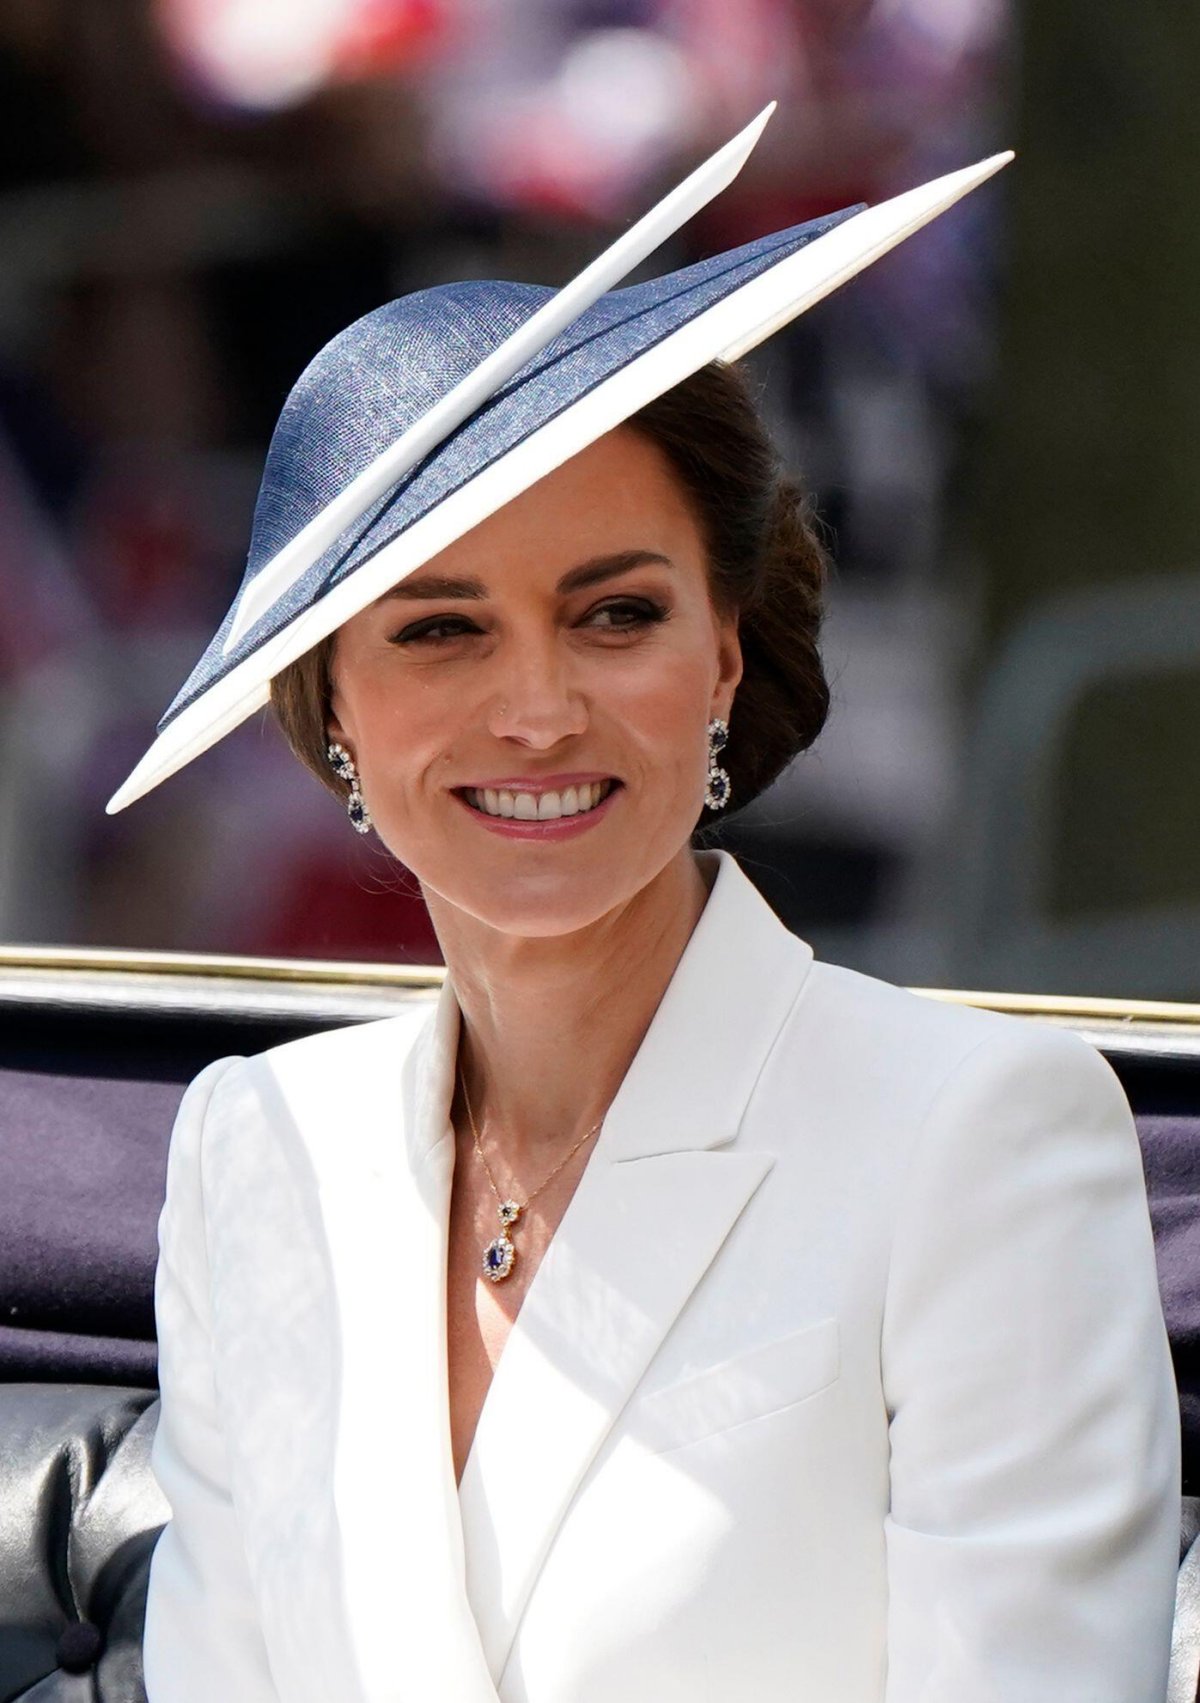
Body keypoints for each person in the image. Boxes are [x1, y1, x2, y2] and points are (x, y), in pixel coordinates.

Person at [113, 116, 1179, 1702]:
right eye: (441, 630)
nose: (538, 711)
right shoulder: (256, 1147)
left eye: (615, 614)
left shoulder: (978, 1137)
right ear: (331, 706)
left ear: (724, 659)